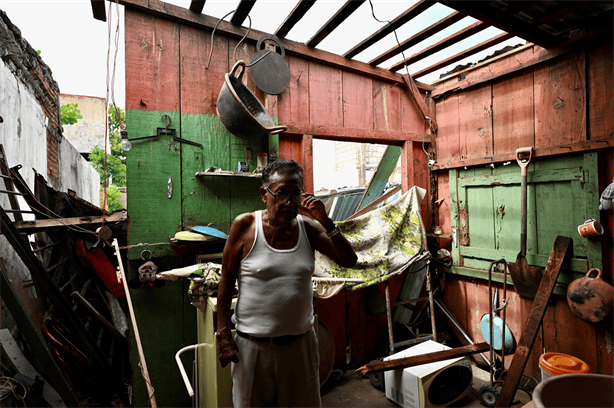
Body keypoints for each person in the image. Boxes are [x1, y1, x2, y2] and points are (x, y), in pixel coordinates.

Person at [216, 160, 357, 408]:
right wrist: (224, 335)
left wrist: (326, 222)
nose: (289, 203)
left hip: (299, 347)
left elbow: (348, 260)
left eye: (296, 194)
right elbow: (226, 282)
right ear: (264, 194)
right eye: (281, 193)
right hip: (252, 348)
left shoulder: (309, 229)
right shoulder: (246, 227)